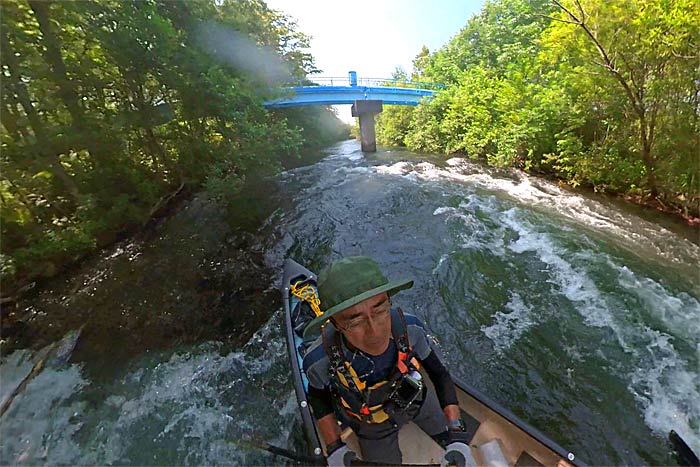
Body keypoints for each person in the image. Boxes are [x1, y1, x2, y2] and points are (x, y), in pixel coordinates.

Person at [301, 256, 472, 466]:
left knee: (446, 435)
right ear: (335, 324)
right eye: (355, 320)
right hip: (371, 426)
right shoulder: (318, 361)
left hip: (417, 402)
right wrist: (335, 446)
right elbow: (318, 399)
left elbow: (439, 374)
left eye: (380, 309)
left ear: (389, 299)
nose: (375, 332)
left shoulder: (411, 330)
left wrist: (458, 433)